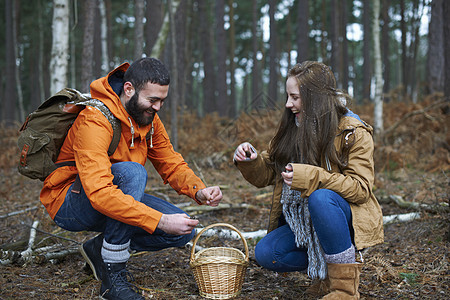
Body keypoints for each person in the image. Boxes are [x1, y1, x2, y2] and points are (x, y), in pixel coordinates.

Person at [40, 57, 223, 300]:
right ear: (129, 89)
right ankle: (112, 278)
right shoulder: (95, 119)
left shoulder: (148, 119)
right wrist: (159, 220)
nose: (157, 107)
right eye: (152, 100)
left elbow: (170, 162)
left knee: (182, 231)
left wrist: (198, 190)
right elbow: (100, 193)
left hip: (115, 193)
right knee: (133, 173)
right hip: (69, 202)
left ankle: (98, 249)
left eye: (162, 101)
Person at [233, 61, 383, 299]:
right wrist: (250, 160)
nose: (288, 104)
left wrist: (310, 177)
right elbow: (269, 173)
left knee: (321, 198)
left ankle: (344, 289)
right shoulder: (293, 127)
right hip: (304, 223)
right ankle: (323, 276)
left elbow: (360, 189)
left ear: (316, 99)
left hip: (344, 218)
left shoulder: (352, 132)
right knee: (267, 252)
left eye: (295, 97)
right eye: (287, 96)